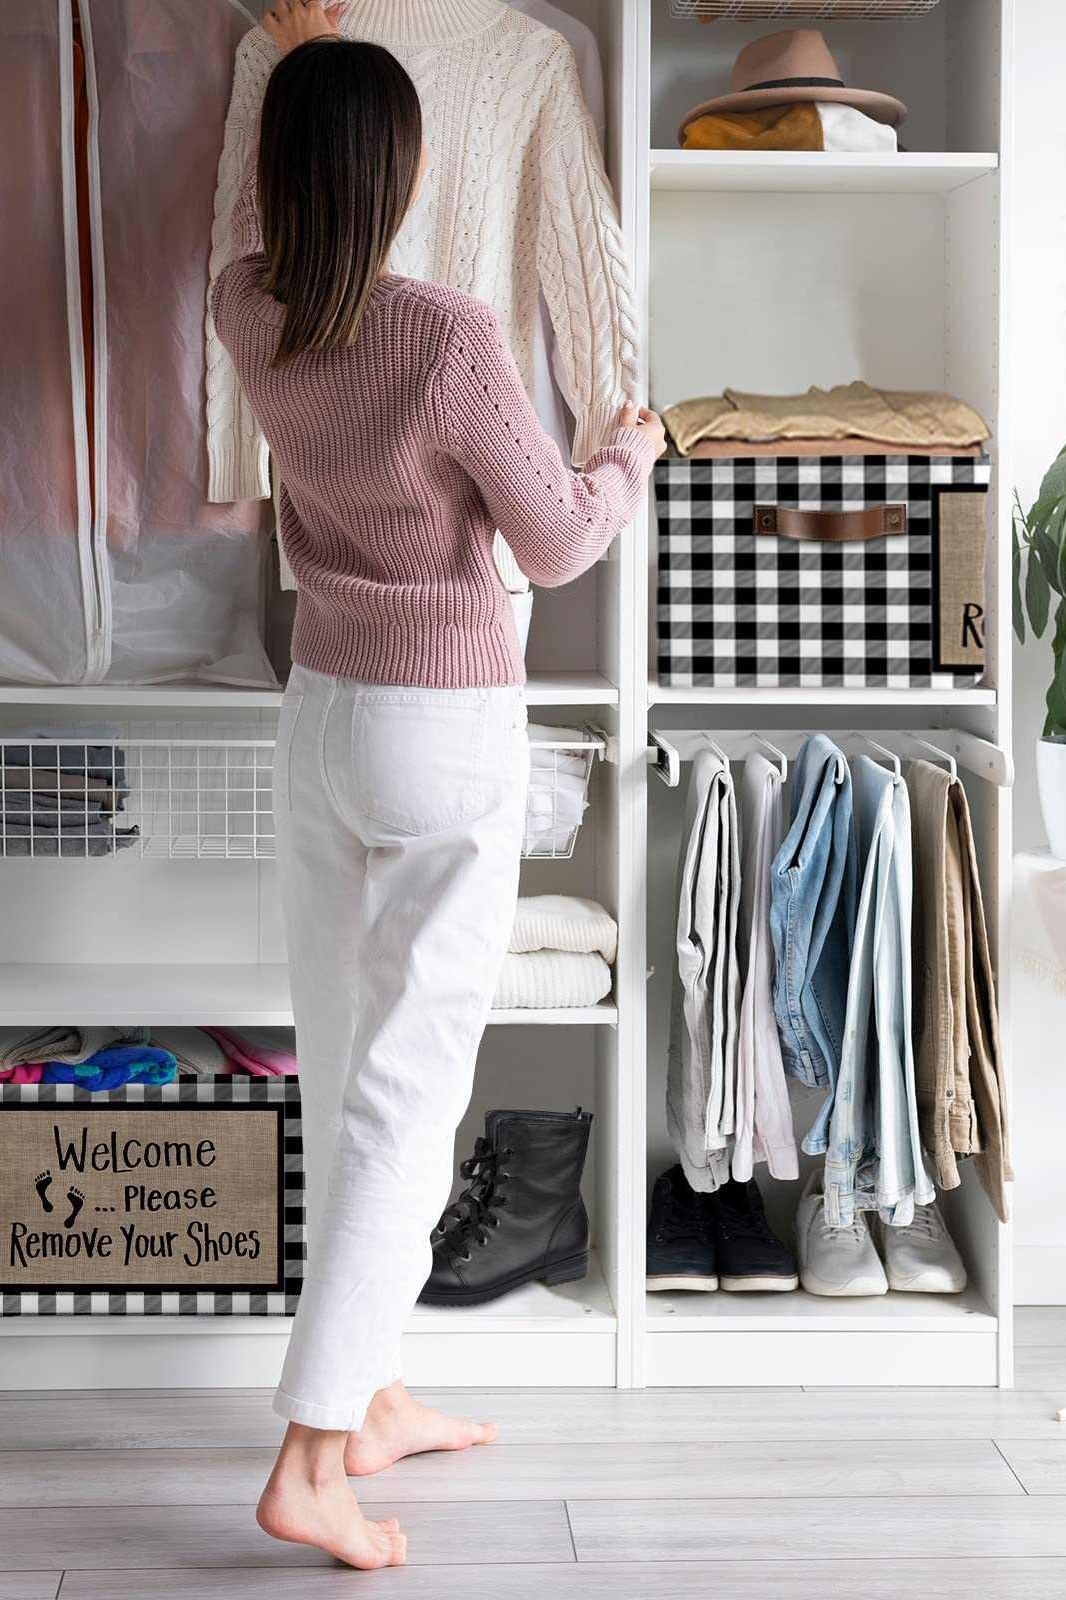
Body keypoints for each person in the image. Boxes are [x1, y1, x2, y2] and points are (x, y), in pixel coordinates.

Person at [211, 0, 662, 1570]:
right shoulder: (452, 335)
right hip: (439, 715)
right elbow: (554, 540)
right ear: (400, 177)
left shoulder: (242, 305)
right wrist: (633, 452)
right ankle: (309, 1457)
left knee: (348, 1059)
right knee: (410, 1093)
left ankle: (378, 1388)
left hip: (320, 707)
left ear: (274, 176)